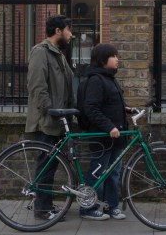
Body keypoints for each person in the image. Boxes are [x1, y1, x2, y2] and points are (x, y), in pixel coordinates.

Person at [25, 14, 75, 220]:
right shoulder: (40, 53)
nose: (71, 34)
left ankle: (44, 204)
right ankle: (42, 208)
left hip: (58, 121)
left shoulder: (58, 54)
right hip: (46, 120)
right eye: (68, 30)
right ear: (58, 31)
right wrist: (50, 110)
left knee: (52, 164)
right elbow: (37, 86)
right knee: (45, 163)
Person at [80, 43, 133, 221]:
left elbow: (109, 103)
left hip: (116, 136)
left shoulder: (109, 78)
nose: (117, 59)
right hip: (102, 137)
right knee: (98, 172)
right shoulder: (96, 80)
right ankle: (89, 208)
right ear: (103, 60)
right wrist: (109, 127)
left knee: (113, 173)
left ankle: (111, 206)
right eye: (113, 56)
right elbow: (91, 108)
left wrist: (126, 109)